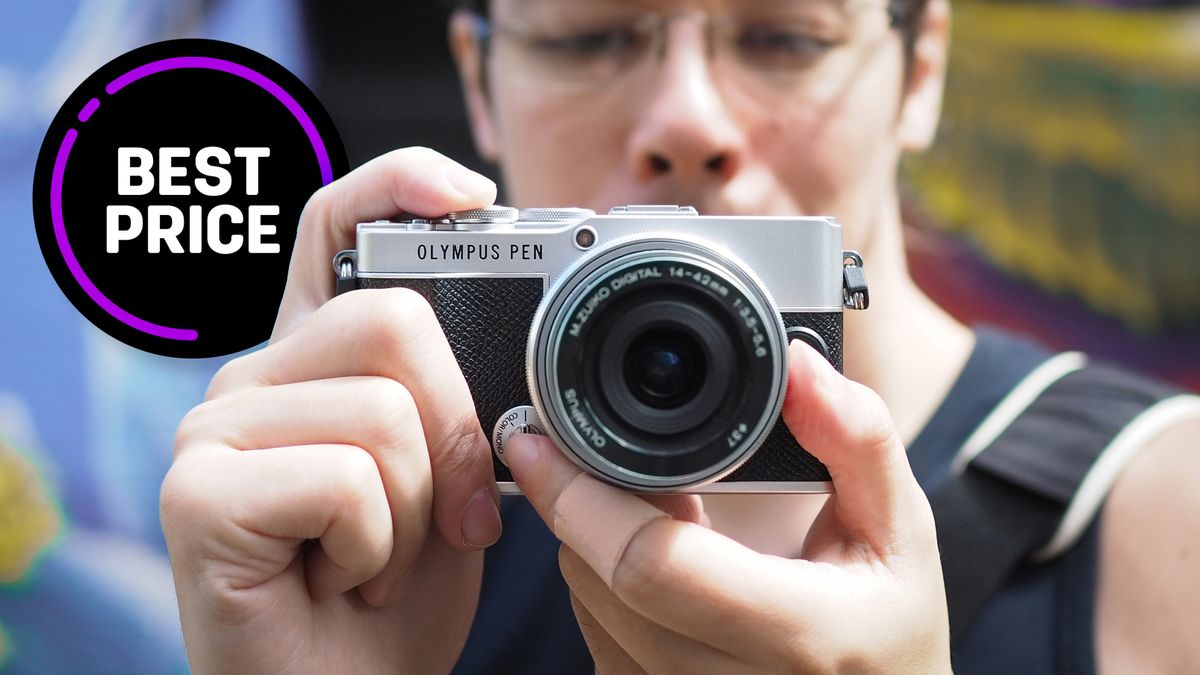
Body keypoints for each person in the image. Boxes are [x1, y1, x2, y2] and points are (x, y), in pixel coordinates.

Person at [160, 0, 1200, 672]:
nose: (685, 118)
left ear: (920, 65)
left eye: (785, 38)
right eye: (590, 38)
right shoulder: (382, 538)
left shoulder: (1163, 508)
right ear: (479, 80)